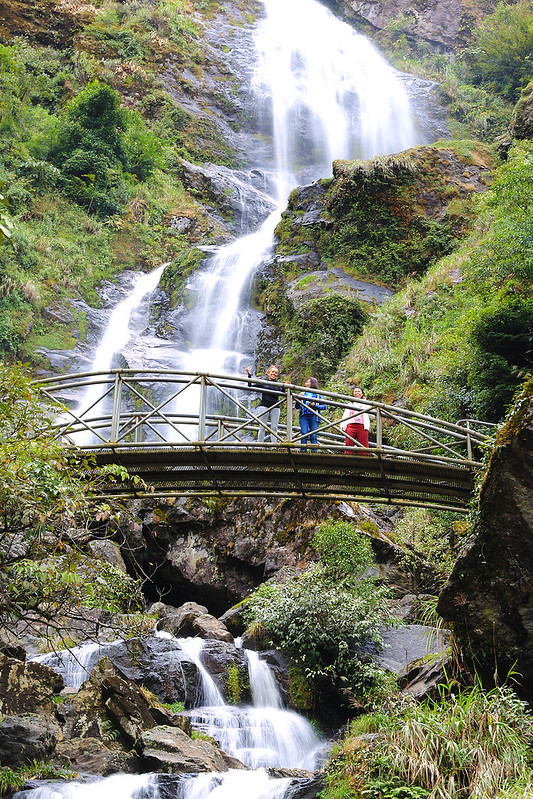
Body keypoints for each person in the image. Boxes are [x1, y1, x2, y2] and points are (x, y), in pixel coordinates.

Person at [245, 364, 284, 443]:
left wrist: (285, 386)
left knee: (274, 427)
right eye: (272, 372)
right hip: (264, 405)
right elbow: (250, 386)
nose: (274, 374)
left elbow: (282, 392)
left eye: (276, 373)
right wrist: (249, 375)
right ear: (269, 373)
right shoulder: (263, 383)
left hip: (275, 406)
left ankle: (274, 446)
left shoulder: (279, 384)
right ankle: (260, 445)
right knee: (262, 427)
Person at [295, 376, 325, 451]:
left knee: (313, 435)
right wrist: (298, 397)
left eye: (308, 382)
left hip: (314, 416)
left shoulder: (317, 394)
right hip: (303, 416)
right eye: (306, 382)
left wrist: (314, 406)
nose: (306, 383)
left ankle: (314, 452)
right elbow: (297, 406)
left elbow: (324, 406)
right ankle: (303, 451)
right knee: (304, 434)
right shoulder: (302, 393)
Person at [339, 386, 370, 453]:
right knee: (349, 443)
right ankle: (348, 458)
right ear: (353, 394)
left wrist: (365, 401)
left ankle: (364, 459)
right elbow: (345, 415)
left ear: (362, 393)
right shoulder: (350, 404)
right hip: (351, 425)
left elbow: (371, 415)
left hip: (362, 426)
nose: (357, 393)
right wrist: (342, 424)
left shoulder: (366, 403)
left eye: (359, 391)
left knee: (363, 444)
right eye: (355, 391)